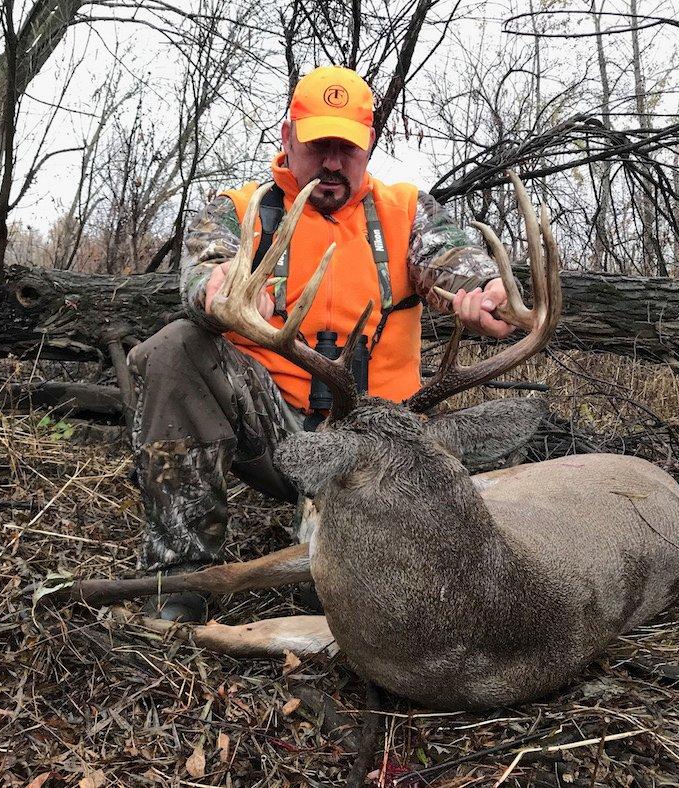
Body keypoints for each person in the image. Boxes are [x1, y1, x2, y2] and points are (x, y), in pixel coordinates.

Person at [127, 65, 515, 621]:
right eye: (318, 145)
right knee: (174, 348)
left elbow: (451, 257)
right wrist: (221, 290)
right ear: (288, 139)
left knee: (334, 596)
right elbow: (204, 270)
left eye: (347, 148)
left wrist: (480, 290)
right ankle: (179, 575)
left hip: (379, 439)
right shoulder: (236, 211)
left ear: (369, 147)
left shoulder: (407, 210)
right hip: (271, 425)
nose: (332, 163)